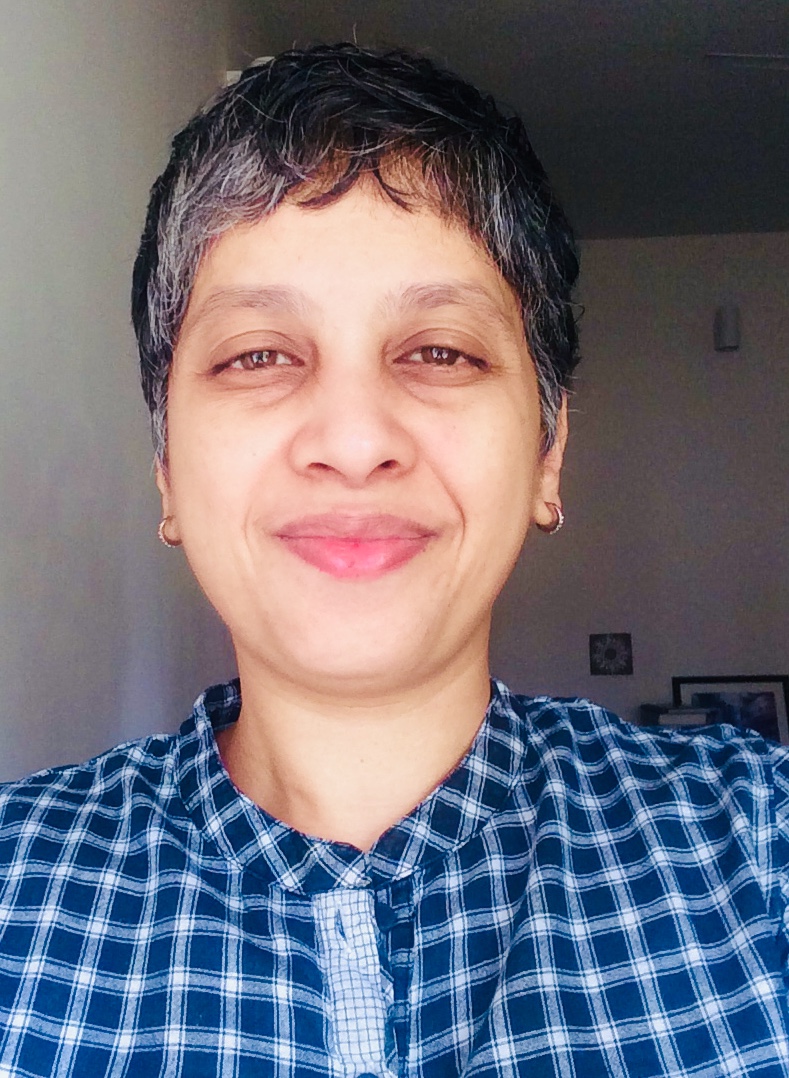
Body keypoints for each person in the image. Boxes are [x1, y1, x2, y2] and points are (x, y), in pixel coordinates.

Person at [0, 43, 787, 1078]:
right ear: (167, 471)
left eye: (439, 351)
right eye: (258, 355)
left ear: (548, 450)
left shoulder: (758, 854)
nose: (355, 437)